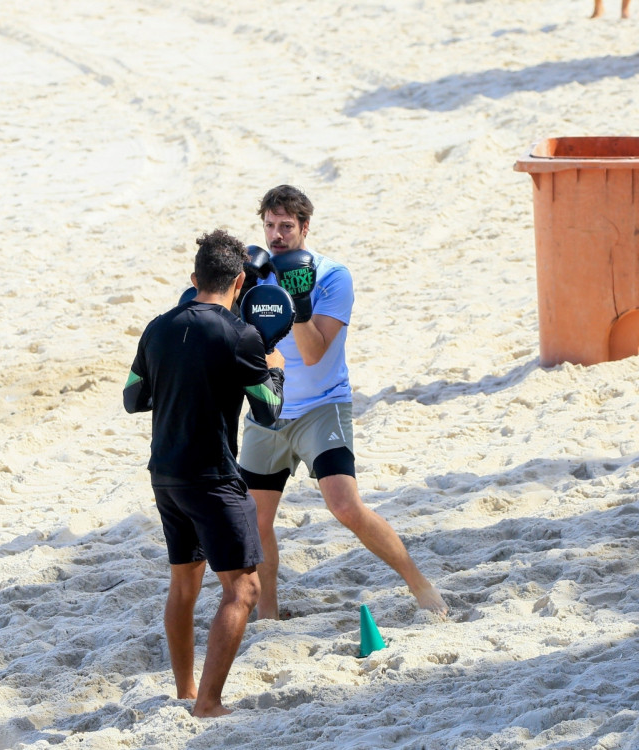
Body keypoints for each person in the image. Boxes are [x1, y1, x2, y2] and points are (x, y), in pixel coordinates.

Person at [238, 185, 448, 620]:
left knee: (345, 506)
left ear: (305, 227)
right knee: (256, 524)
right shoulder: (257, 278)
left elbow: (314, 352)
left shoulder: (333, 276)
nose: (277, 235)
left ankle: (419, 584)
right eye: (270, 225)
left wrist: (295, 300)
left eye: (286, 226)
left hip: (322, 406)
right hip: (270, 408)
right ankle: (270, 618)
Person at [123, 229, 286, 718]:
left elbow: (134, 398)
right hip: (212, 477)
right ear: (240, 282)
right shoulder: (242, 336)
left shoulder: (157, 327)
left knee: (184, 586)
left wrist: (178, 381)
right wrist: (273, 366)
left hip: (165, 474)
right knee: (244, 589)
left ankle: (186, 690)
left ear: (194, 279)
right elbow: (268, 410)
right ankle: (209, 704)